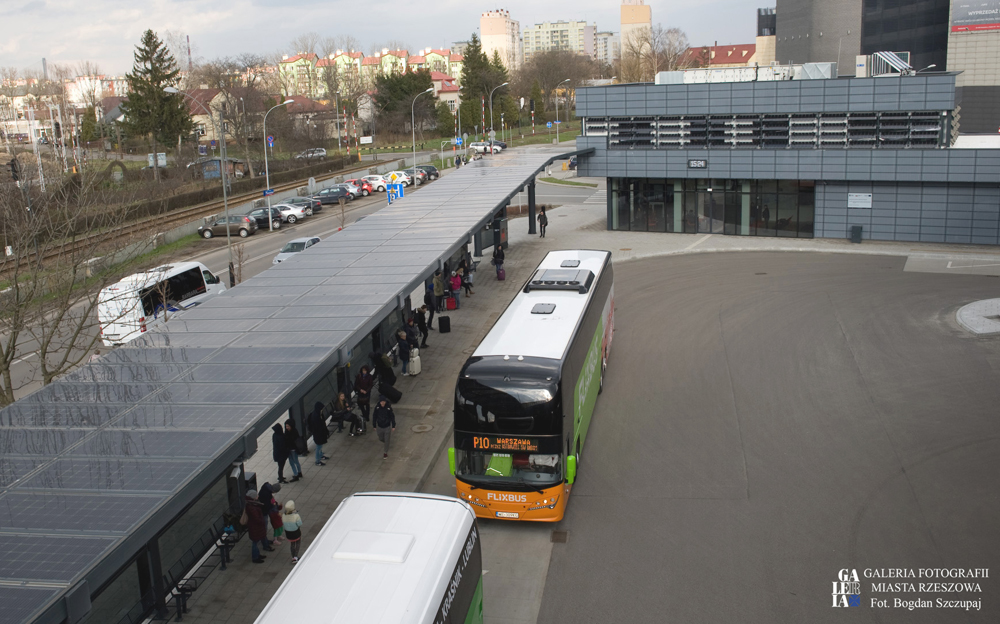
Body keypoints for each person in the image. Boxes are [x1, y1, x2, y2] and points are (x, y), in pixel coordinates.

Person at [244, 490, 269, 564]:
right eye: (256, 495)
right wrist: (262, 522)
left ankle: (257, 555)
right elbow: (256, 518)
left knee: (256, 542)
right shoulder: (252, 507)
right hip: (255, 527)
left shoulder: (251, 504)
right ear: (253, 497)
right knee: (255, 543)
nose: (258, 496)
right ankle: (255, 557)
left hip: (255, 527)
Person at [373, 395, 396, 459]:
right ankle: (386, 442)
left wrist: (393, 425)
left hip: (387, 426)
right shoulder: (377, 408)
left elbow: (392, 417)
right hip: (380, 426)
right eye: (381, 402)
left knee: (387, 440)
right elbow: (374, 416)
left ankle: (385, 452)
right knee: (380, 438)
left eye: (383, 402)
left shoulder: (388, 408)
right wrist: (374, 425)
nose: (382, 403)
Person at [307, 401, 329, 466]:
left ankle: (321, 455)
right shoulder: (316, 417)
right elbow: (318, 427)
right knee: (319, 446)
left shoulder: (318, 413)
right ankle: (317, 461)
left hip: (320, 433)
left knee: (320, 445)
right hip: (318, 434)